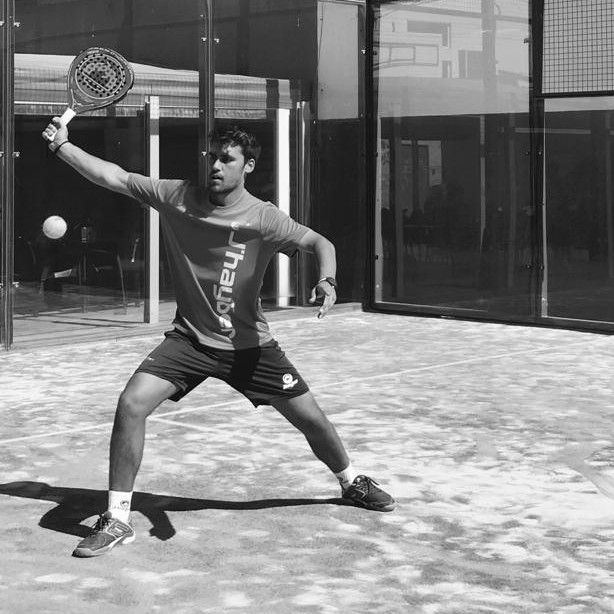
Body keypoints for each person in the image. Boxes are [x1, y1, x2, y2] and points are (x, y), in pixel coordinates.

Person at [42, 120, 396, 558]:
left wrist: (328, 279)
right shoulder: (176, 196)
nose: (215, 165)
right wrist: (62, 147)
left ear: (247, 166)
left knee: (312, 420)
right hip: (189, 341)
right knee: (131, 404)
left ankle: (351, 481)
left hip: (250, 348)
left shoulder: (263, 217)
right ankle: (117, 518)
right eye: (211, 156)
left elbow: (320, 242)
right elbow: (113, 176)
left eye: (226, 159)